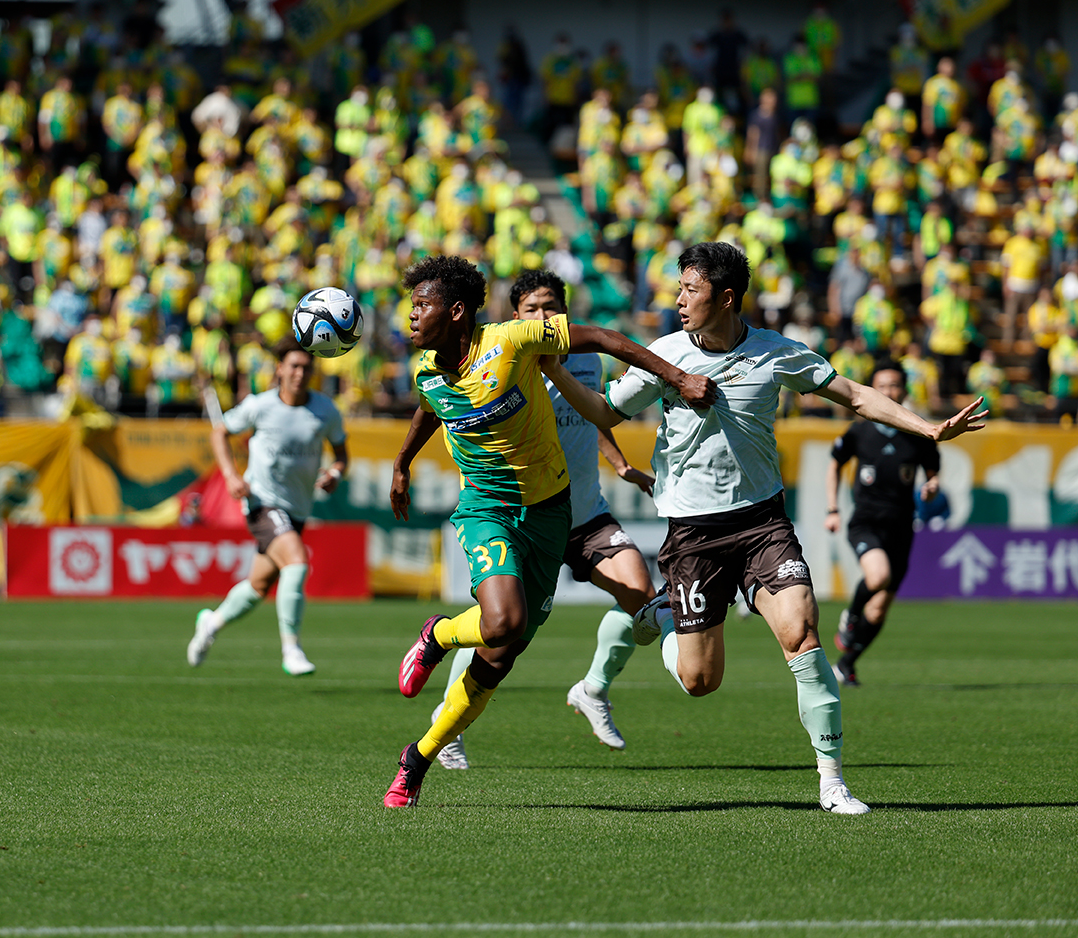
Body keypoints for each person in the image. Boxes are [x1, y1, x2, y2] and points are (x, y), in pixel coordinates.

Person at [539, 241, 986, 815]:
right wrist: (553, 368)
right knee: (701, 681)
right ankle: (657, 616)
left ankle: (832, 782)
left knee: (802, 632)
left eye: (690, 290)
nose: (678, 300)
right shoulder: (664, 355)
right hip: (694, 535)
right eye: (678, 288)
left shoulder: (776, 354)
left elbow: (852, 394)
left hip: (761, 524)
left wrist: (927, 429)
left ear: (725, 298)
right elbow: (605, 412)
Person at [382, 254, 714, 808]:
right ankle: (438, 635)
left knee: (500, 657)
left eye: (422, 305)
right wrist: (401, 463)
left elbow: (606, 337)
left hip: (551, 510)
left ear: (457, 311)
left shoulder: (512, 341)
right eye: (411, 305)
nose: (411, 316)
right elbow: (428, 409)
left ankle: (418, 756)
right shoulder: (425, 369)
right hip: (486, 507)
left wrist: (676, 376)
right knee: (503, 621)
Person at [430, 269, 658, 771]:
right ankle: (446, 727)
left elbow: (588, 416)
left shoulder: (588, 360)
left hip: (587, 513)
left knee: (642, 597)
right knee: (501, 631)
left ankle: (593, 688)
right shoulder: (509, 360)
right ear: (515, 317)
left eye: (551, 305)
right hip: (528, 514)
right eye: (532, 308)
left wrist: (619, 464)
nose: (543, 315)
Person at [188, 338, 349, 677]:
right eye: (293, 366)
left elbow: (341, 454)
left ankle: (211, 622)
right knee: (297, 561)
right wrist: (231, 475)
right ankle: (291, 648)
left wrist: (335, 473)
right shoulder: (260, 406)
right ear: (279, 368)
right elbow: (220, 433)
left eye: (306, 367)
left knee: (259, 586)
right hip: (262, 503)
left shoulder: (325, 411)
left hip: (298, 509)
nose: (299, 373)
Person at [825, 362, 940, 687]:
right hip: (866, 522)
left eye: (894, 386)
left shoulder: (916, 430)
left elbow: (933, 474)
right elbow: (834, 465)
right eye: (882, 386)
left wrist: (932, 487)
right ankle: (850, 616)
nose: (889, 392)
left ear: (904, 390)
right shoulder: (860, 430)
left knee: (878, 613)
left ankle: (846, 665)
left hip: (902, 527)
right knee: (878, 576)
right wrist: (832, 508)